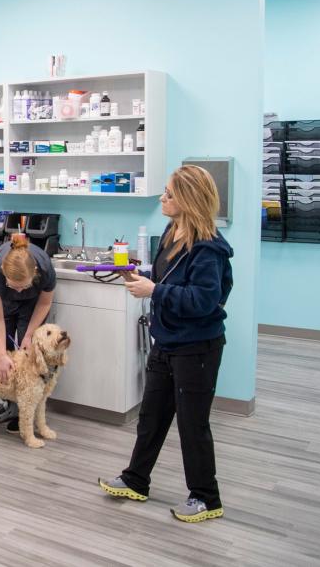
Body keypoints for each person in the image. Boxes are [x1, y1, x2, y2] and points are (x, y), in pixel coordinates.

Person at [99, 165, 233, 523]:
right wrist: (138, 276)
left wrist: (154, 290)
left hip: (197, 348)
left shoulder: (209, 250)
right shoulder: (173, 233)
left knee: (193, 425)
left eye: (169, 193)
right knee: (152, 416)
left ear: (188, 200)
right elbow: (163, 278)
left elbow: (204, 301)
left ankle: (206, 497)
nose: (162, 197)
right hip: (167, 341)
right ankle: (135, 480)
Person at [0, 232, 56, 433]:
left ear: (35, 274)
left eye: (24, 286)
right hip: (2, 306)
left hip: (33, 306)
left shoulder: (46, 268)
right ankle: (8, 403)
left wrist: (30, 334)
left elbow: (45, 301)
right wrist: (1, 355)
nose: (19, 291)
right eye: (14, 286)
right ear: (3, 274)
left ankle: (24, 408)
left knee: (28, 359)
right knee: (3, 357)